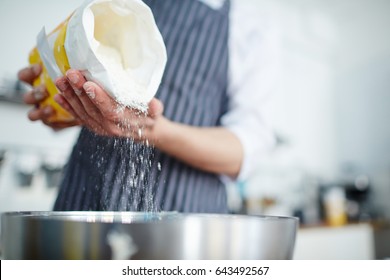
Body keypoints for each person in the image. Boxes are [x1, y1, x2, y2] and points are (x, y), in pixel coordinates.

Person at [18, 0, 279, 213]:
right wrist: (66, 105)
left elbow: (245, 149)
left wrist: (154, 131)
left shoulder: (250, 25)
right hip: (83, 204)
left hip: (180, 220)